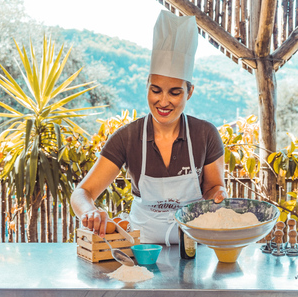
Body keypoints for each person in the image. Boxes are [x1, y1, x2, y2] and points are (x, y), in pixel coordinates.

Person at [70, 10, 227, 245]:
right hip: (141, 250)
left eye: (175, 92)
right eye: (156, 90)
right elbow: (81, 193)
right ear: (146, 86)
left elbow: (213, 188)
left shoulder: (205, 134)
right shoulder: (127, 138)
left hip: (193, 249)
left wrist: (218, 195)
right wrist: (89, 211)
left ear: (190, 92)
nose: (163, 102)